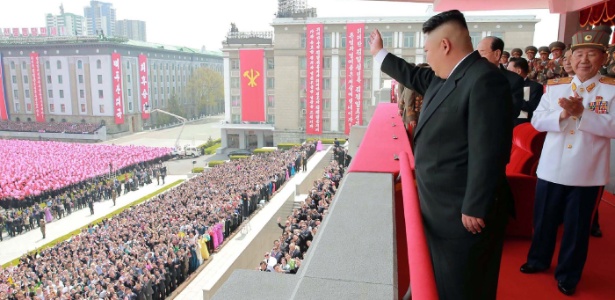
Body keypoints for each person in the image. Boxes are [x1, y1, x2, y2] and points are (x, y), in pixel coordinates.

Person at [370, 9, 513, 300]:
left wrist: (474, 205)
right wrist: (380, 54)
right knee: (441, 278)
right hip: (439, 206)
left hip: (463, 213)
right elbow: (410, 74)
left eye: (427, 49)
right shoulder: (442, 78)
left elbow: (491, 149)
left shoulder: (484, 80)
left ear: (445, 45)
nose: (427, 57)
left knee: (464, 285)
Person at [520, 26, 615, 296]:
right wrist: (562, 115)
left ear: (603, 58)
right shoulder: (554, 87)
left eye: (592, 54)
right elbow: (537, 121)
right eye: (579, 54)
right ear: (570, 59)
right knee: (544, 220)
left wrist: (583, 114)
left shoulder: (611, 91)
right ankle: (538, 260)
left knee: (576, 228)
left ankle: (568, 275)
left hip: (587, 172)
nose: (584, 60)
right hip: (551, 168)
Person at [477, 36, 525, 120]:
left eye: (482, 53)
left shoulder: (513, 80)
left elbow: (513, 111)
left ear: (497, 54)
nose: (478, 58)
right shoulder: (471, 76)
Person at [507, 57, 544, 126]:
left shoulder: (534, 87)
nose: (507, 73)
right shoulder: (506, 86)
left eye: (509, 70)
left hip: (523, 125)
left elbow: (529, 110)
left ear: (518, 71)